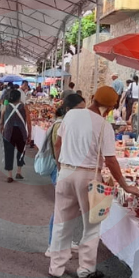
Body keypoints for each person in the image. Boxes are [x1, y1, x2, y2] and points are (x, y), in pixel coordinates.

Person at [49, 86, 139, 278]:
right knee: (91, 225)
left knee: (61, 222)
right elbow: (111, 160)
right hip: (89, 176)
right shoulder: (103, 125)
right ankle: (86, 269)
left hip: (65, 172)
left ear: (92, 98)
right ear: (110, 108)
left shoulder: (71, 115)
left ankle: (55, 267)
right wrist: (125, 185)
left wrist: (61, 167)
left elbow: (58, 145)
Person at [45, 93, 86, 254]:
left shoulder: (69, 123)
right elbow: (58, 147)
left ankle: (65, 241)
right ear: (68, 109)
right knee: (61, 209)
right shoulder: (61, 125)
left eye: (84, 109)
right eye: (79, 109)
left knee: (69, 209)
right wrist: (61, 168)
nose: (83, 113)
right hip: (62, 170)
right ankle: (52, 244)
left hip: (67, 170)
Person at [0, 89, 31, 183]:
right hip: (21, 132)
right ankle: (19, 172)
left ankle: (9, 175)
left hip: (8, 132)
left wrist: (1, 128)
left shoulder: (6, 106)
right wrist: (29, 134)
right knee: (21, 151)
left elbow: (1, 120)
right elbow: (28, 122)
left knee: (8, 152)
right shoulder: (24, 107)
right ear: (19, 97)